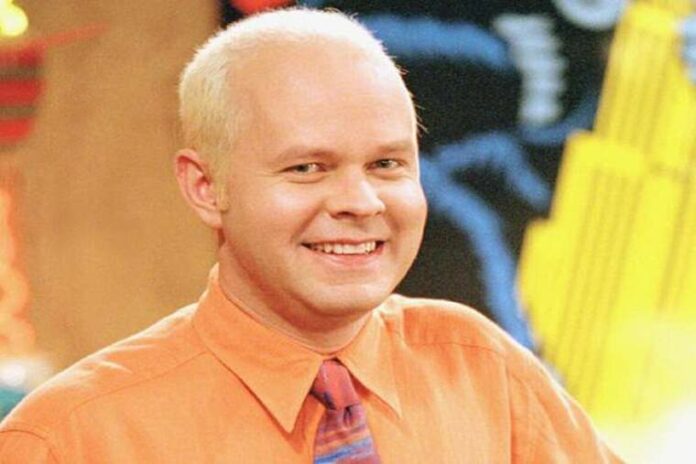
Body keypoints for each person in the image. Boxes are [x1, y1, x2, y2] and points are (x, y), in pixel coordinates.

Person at [0, 8, 622, 463]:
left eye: (387, 164)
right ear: (205, 187)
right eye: (307, 168)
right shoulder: (70, 437)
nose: (360, 202)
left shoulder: (483, 370)